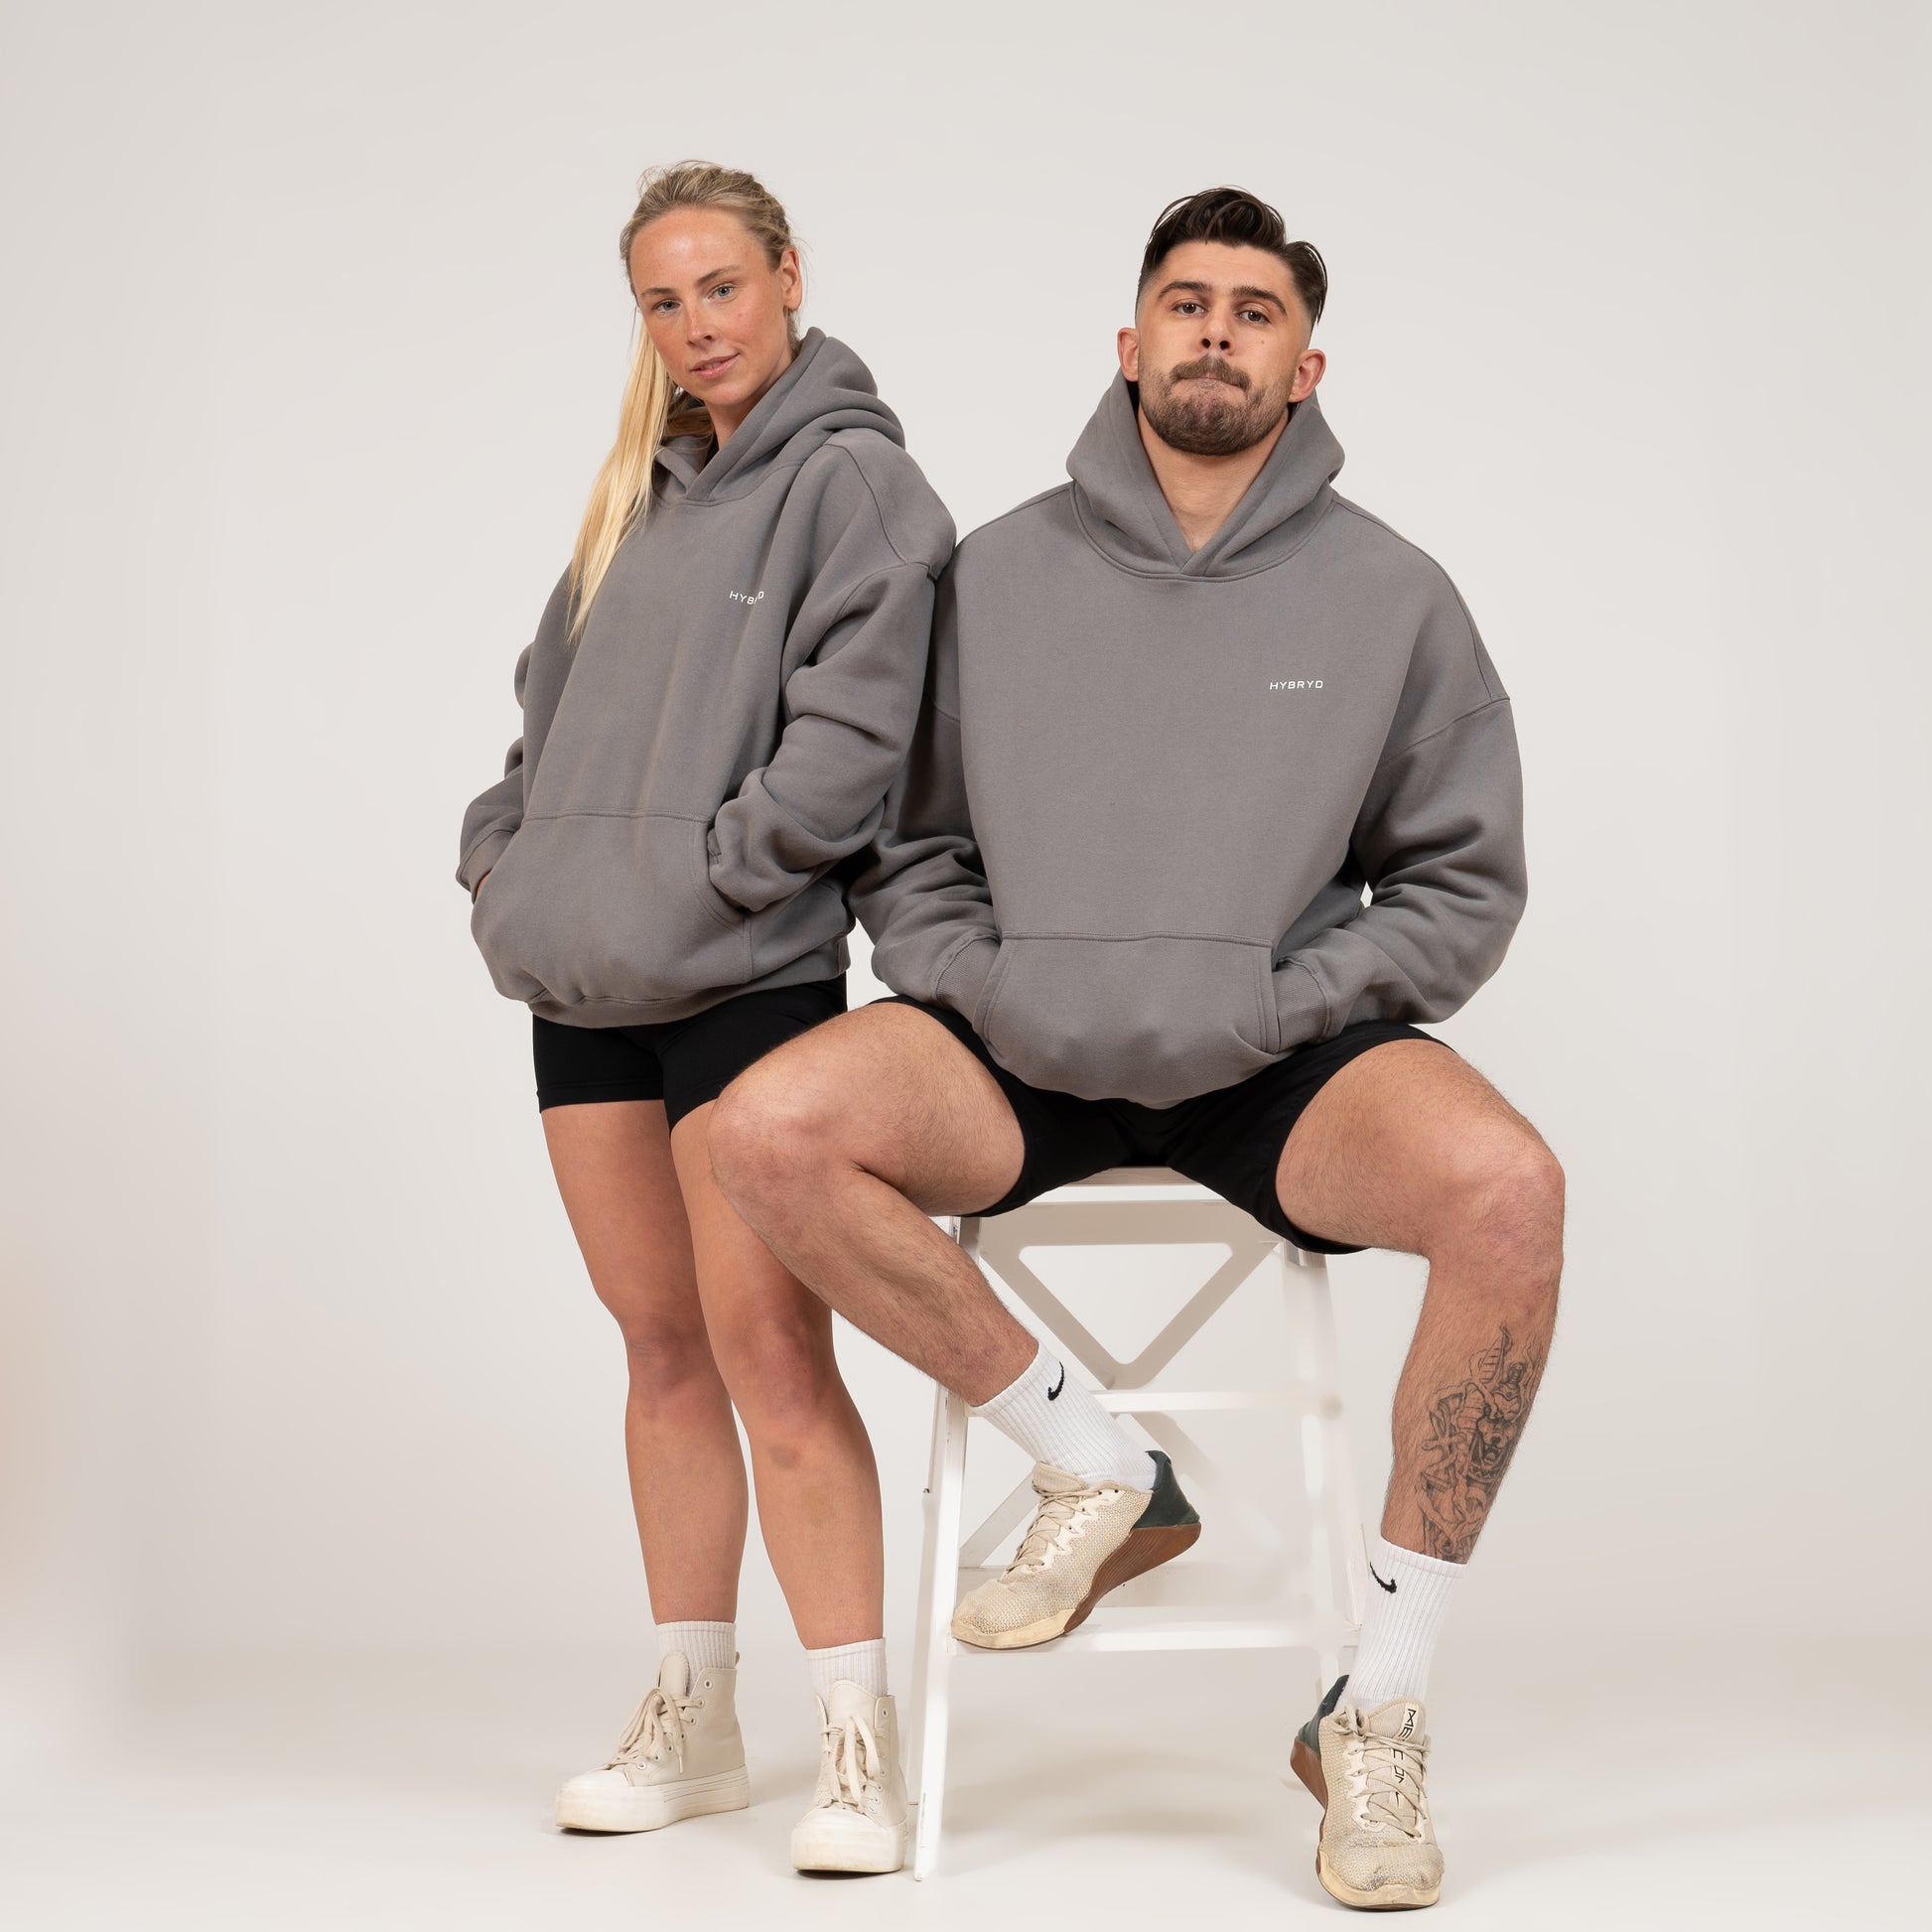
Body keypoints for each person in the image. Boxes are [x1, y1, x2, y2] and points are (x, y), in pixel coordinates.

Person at [708, 187, 1563, 1910]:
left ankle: (1376, 1703)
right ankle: (1099, 1462)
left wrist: (1281, 1001)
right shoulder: (992, 572)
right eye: (1186, 301)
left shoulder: (1393, 594)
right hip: (1019, 1049)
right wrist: (993, 984)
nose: (1214, 332)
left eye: (1254, 311)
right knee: (768, 1125)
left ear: (1304, 367)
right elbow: (908, 849)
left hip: (1276, 1063)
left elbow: (1459, 884)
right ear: (1127, 341)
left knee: (1509, 1189)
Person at [455, 160, 953, 1876]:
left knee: (769, 1352)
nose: (695, 326)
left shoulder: (857, 484)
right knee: (657, 1348)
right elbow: (541, 733)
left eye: (720, 287)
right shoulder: (634, 498)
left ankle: (857, 1738)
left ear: (789, 276)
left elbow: (851, 746)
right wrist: (509, 871)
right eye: (661, 302)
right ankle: (697, 1711)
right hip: (584, 987)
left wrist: (703, 878)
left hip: (746, 979)